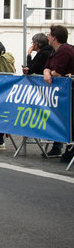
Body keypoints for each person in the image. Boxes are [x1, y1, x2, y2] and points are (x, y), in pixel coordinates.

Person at [43, 25, 74, 161]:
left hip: (69, 91)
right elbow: (47, 66)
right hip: (61, 92)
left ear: (54, 37)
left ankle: (69, 148)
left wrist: (49, 72)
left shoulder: (65, 50)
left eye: (49, 34)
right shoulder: (54, 51)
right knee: (60, 118)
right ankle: (58, 146)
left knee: (69, 120)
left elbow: (58, 71)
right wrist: (46, 71)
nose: (48, 37)